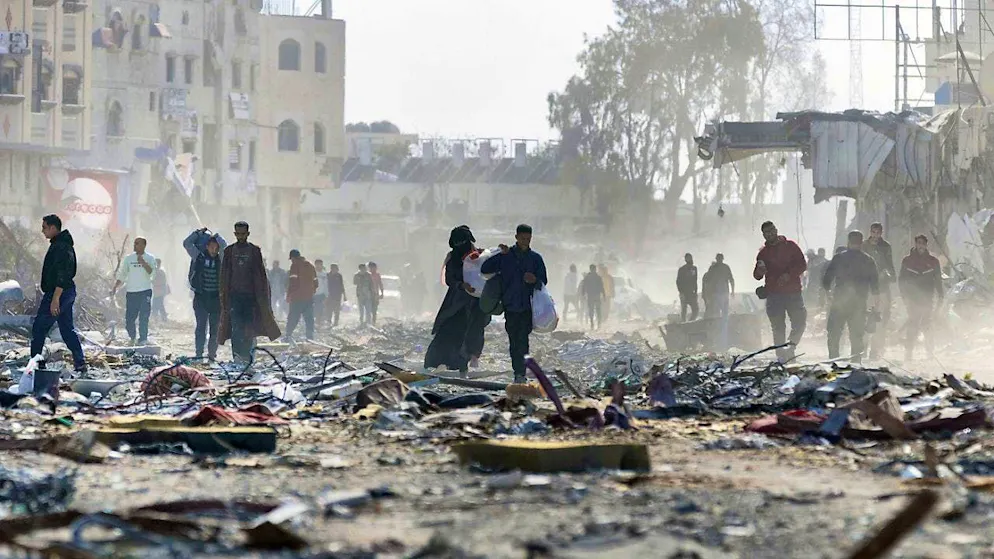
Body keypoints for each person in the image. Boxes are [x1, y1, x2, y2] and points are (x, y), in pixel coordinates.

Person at [481, 224, 548, 384]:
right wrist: (499, 252)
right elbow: (485, 269)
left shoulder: (535, 258)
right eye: (523, 238)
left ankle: (521, 373)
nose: (525, 241)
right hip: (510, 306)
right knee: (513, 341)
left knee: (523, 341)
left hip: (527, 307)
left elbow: (543, 280)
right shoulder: (506, 256)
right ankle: (517, 371)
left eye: (528, 239)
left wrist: (535, 280)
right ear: (516, 237)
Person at [425, 225, 493, 373]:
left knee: (474, 331)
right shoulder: (453, 258)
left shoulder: (481, 256)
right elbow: (449, 278)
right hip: (456, 302)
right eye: (457, 242)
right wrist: (462, 285)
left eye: (463, 241)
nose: (461, 245)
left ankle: (468, 363)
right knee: (449, 331)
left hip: (477, 302)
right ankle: (439, 363)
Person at [31, 214, 86, 373]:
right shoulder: (60, 244)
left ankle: (36, 365)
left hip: (59, 293)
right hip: (64, 292)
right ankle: (80, 363)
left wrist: (56, 298)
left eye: (44, 227)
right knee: (67, 330)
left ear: (53, 228)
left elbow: (63, 273)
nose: (42, 231)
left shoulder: (61, 246)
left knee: (39, 328)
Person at [219, 222, 281, 362]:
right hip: (234, 297)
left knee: (249, 329)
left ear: (248, 234)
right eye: (238, 234)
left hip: (251, 298)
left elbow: (260, 275)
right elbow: (224, 276)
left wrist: (263, 298)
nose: (240, 236)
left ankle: (246, 357)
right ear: (235, 234)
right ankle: (237, 356)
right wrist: (224, 298)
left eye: (243, 234)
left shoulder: (254, 251)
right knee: (236, 328)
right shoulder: (229, 251)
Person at [753, 221, 808, 362]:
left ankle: (791, 347)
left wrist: (789, 275)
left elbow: (802, 264)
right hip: (774, 294)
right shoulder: (763, 253)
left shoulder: (791, 246)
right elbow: (757, 276)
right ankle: (781, 355)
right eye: (766, 232)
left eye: (771, 230)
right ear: (763, 235)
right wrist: (760, 270)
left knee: (800, 322)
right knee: (778, 327)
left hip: (793, 292)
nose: (770, 234)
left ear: (776, 230)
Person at [822, 230, 880, 362]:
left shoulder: (838, 258)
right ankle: (855, 363)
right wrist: (876, 308)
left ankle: (833, 362)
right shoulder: (868, 260)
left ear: (848, 241)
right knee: (857, 336)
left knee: (834, 333)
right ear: (861, 242)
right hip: (859, 304)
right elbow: (875, 288)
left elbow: (826, 280)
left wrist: (828, 295)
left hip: (839, 302)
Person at [183, 229, 227, 361]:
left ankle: (212, 355)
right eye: (211, 247)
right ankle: (199, 354)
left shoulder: (221, 259)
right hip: (201, 298)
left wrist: (217, 236)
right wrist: (198, 233)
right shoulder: (199, 256)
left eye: (216, 248)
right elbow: (186, 243)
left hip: (216, 299)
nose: (214, 250)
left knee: (215, 329)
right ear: (206, 246)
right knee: (201, 327)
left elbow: (225, 247)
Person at [899, 235, 943, 361]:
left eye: (923, 243)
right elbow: (902, 280)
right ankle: (909, 352)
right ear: (915, 244)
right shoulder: (907, 261)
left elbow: (938, 280)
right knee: (913, 324)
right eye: (919, 243)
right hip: (912, 299)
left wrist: (941, 295)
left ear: (926, 245)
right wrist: (904, 296)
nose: (921, 246)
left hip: (927, 298)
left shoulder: (933, 261)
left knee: (927, 324)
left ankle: (929, 352)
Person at [113, 237, 157, 345]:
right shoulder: (129, 259)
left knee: (144, 317)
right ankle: (132, 337)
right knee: (129, 318)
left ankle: (143, 339)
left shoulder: (150, 258)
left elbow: (152, 274)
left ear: (144, 245)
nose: (135, 245)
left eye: (137, 243)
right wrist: (115, 287)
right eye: (134, 243)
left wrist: (143, 262)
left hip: (145, 291)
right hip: (132, 292)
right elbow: (123, 274)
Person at [864, 222, 896, 358]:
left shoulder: (885, 246)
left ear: (881, 233)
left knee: (880, 320)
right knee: (865, 318)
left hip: (882, 287)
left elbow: (889, 264)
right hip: (866, 288)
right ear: (870, 232)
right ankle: (862, 349)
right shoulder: (864, 245)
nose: (875, 235)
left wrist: (890, 275)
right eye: (873, 232)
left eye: (878, 232)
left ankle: (875, 350)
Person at [284, 249, 317, 342]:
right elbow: (316, 282)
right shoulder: (310, 265)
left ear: (293, 258)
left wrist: (289, 295)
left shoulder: (295, 265)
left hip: (297, 297)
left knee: (293, 317)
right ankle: (310, 338)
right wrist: (311, 291)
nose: (291, 261)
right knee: (309, 318)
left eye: (291, 259)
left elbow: (293, 283)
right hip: (309, 297)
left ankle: (288, 335)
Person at [706, 253, 735, 318]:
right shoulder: (715, 268)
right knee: (721, 310)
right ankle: (721, 322)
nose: (719, 260)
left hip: (721, 292)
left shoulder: (720, 267)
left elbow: (731, 280)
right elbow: (707, 281)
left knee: (720, 310)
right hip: (718, 292)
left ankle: (721, 322)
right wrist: (732, 291)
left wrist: (732, 291)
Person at [579, 264, 606, 330]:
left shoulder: (587, 277)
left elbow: (584, 286)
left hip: (590, 296)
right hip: (597, 295)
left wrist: (583, 294)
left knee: (591, 310)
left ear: (590, 269)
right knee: (598, 310)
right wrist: (604, 295)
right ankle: (599, 324)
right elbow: (602, 287)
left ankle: (592, 324)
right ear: (595, 269)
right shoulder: (598, 277)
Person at [676, 253, 699, 322]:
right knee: (684, 310)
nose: (689, 259)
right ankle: (683, 323)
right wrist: (681, 292)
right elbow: (678, 281)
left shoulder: (694, 268)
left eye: (690, 258)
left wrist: (695, 291)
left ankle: (690, 322)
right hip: (684, 292)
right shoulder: (682, 269)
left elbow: (695, 280)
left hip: (691, 292)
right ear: (685, 259)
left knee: (696, 310)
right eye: (688, 258)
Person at [314, 259, 328, 327]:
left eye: (321, 264)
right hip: (313, 294)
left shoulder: (324, 274)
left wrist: (326, 295)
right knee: (314, 309)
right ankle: (315, 322)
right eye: (318, 264)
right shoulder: (312, 273)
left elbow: (326, 285)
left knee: (321, 308)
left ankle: (319, 322)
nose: (319, 266)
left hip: (321, 294)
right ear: (315, 265)